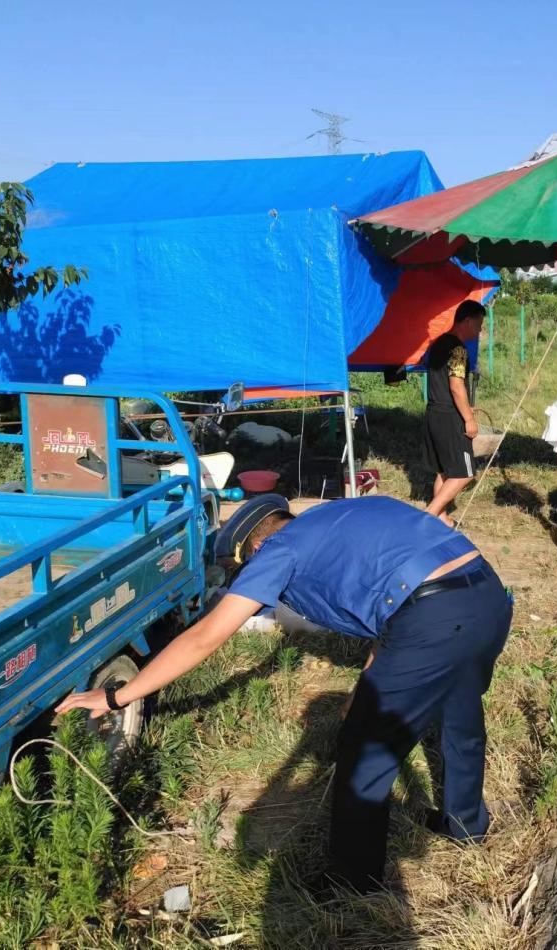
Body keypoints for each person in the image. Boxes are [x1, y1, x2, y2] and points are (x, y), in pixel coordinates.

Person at [56, 493, 513, 895]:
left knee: (365, 750)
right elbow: (388, 614)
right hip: (486, 594)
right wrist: (364, 687)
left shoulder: (278, 550)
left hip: (432, 616)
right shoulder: (338, 516)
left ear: (253, 548)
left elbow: (204, 638)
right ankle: (465, 825)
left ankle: (353, 885)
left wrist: (118, 697)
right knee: (460, 715)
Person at [424, 300, 486, 525]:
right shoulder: (458, 349)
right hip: (450, 417)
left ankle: (441, 518)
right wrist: (469, 418)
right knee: (464, 473)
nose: (479, 330)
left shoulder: (438, 343)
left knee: (444, 470)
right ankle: (429, 516)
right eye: (478, 325)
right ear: (467, 320)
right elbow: (456, 386)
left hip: (434, 412)